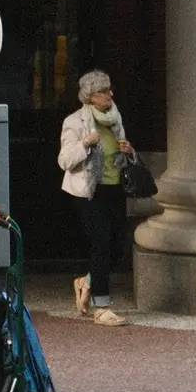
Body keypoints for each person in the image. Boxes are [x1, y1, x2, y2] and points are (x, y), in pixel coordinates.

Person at [56, 69, 131, 325]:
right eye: (103, 91)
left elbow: (119, 154)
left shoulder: (115, 118)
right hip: (89, 191)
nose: (109, 94)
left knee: (118, 247)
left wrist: (128, 151)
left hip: (114, 186)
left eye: (109, 89)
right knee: (101, 245)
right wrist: (85, 143)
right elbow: (65, 160)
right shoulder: (75, 122)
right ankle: (102, 307)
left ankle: (86, 282)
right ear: (89, 96)